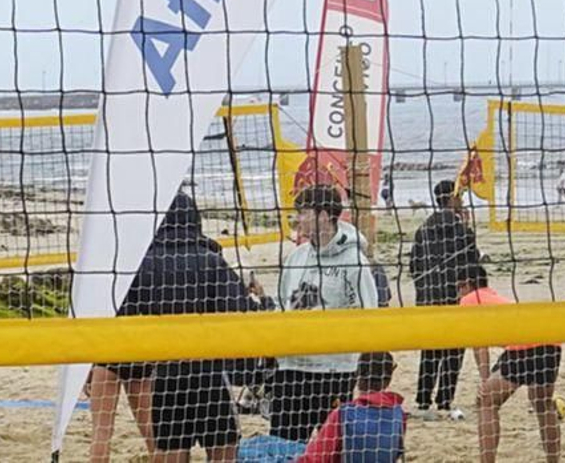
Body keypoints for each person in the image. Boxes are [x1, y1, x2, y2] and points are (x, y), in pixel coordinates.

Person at [119, 192, 263, 463]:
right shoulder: (211, 260)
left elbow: (123, 320)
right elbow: (240, 311)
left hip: (166, 375)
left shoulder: (142, 265)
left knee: (171, 453)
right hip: (207, 374)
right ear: (194, 218)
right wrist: (261, 301)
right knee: (224, 451)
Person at [274, 184, 381, 443]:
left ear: (324, 215)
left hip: (334, 370)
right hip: (292, 368)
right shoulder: (296, 258)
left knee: (332, 448)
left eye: (304, 212)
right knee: (284, 447)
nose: (297, 219)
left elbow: (371, 315)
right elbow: (281, 307)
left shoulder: (354, 261)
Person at [458, 264, 563, 463]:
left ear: (467, 284)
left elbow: (479, 345)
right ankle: (553, 460)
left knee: (486, 401)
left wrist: (484, 380)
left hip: (524, 345)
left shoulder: (469, 299)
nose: (458, 293)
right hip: (551, 341)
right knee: (543, 405)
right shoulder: (493, 296)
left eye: (458, 287)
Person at [407, 178, 481, 421]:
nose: (461, 199)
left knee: (430, 352)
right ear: (451, 198)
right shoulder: (462, 231)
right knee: (453, 353)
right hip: (455, 299)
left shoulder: (423, 230)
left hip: (428, 299)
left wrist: (423, 290)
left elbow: (414, 266)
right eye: (459, 195)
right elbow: (473, 265)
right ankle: (445, 400)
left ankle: (422, 399)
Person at [297, 352, 406, 463]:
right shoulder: (398, 414)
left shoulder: (343, 414)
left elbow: (316, 457)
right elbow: (397, 452)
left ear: (357, 376)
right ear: (388, 380)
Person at [86, 360, 154, 463]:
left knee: (101, 431)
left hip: (107, 359)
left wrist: (90, 371)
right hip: (138, 360)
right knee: (150, 430)